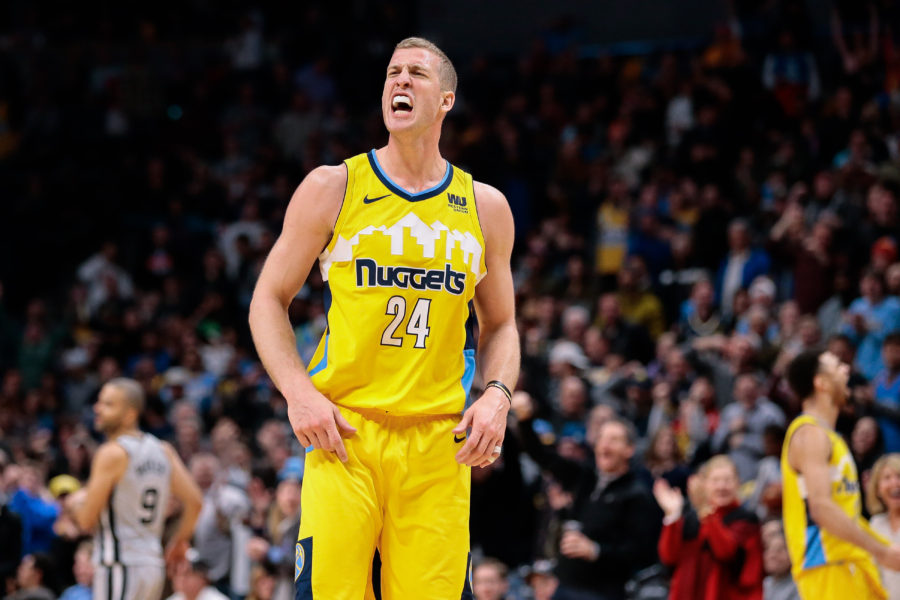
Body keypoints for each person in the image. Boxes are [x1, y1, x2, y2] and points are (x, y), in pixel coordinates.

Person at [248, 37, 519, 599]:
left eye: (416, 74)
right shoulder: (333, 187)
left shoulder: (484, 207)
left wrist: (496, 395)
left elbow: (502, 326)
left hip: (437, 443)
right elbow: (267, 299)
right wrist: (298, 392)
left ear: (445, 99)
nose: (399, 82)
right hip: (345, 434)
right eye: (392, 73)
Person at [68, 378, 203, 600]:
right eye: (99, 402)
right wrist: (180, 542)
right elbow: (195, 502)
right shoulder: (163, 450)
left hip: (119, 564)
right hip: (152, 566)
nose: (97, 408)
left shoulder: (111, 453)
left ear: (131, 414)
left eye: (108, 404)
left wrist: (75, 503)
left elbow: (85, 520)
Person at [782, 350, 900, 599]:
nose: (846, 370)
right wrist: (882, 552)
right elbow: (821, 508)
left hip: (850, 563)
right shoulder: (809, 434)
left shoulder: (831, 438)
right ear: (821, 383)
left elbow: (848, 514)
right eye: (837, 366)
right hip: (827, 567)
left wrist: (886, 548)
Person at [654, 455, 764, 600]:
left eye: (727, 480)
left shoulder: (746, 519)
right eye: (715, 480)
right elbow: (669, 557)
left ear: (738, 483)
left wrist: (705, 510)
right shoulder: (690, 517)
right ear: (704, 484)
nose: (721, 487)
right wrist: (672, 515)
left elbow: (726, 552)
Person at [867, 454, 900, 599]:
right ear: (877, 489)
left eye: (899, 476)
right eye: (887, 478)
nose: (895, 483)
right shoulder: (875, 524)